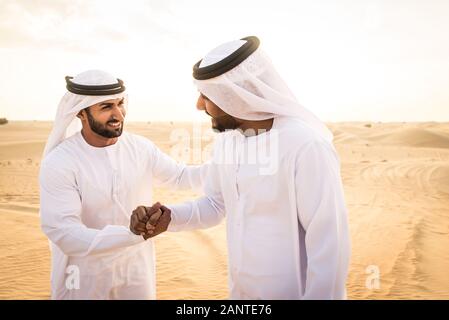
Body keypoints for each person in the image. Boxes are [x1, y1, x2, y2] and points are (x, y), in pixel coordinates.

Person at [131, 36, 351, 299]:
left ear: (236, 95)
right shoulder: (227, 141)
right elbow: (215, 204)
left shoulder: (305, 146)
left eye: (206, 95)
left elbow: (330, 245)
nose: (199, 105)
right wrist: (170, 218)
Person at [39, 70, 205, 299]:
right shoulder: (60, 161)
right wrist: (133, 235)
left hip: (136, 272)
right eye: (106, 107)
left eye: (120, 104)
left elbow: (180, 177)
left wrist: (229, 168)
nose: (118, 114)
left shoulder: (140, 148)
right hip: (84, 277)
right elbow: (65, 234)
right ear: (81, 113)